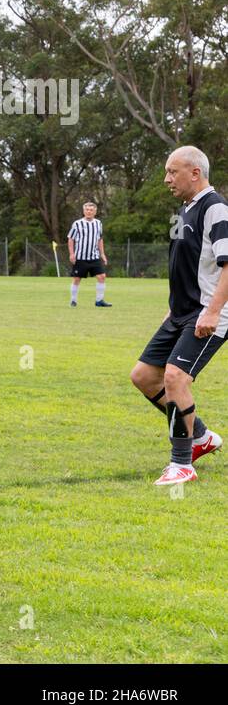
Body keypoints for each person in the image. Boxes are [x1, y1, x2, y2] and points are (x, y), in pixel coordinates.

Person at [129, 146, 226, 486]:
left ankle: (182, 463)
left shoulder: (215, 209)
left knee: (175, 378)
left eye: (173, 172)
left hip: (209, 312)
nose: (167, 179)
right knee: (143, 376)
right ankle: (199, 436)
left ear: (195, 173)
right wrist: (173, 309)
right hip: (181, 313)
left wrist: (213, 311)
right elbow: (184, 266)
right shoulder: (182, 211)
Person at [68, 202, 111, 307]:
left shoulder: (98, 223)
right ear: (84, 211)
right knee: (77, 278)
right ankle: (73, 300)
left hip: (94, 257)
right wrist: (72, 254)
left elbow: (100, 239)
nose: (89, 211)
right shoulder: (77, 224)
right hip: (80, 257)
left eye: (91, 210)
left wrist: (102, 254)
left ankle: (99, 301)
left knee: (102, 276)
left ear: (95, 212)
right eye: (87, 209)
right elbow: (71, 239)